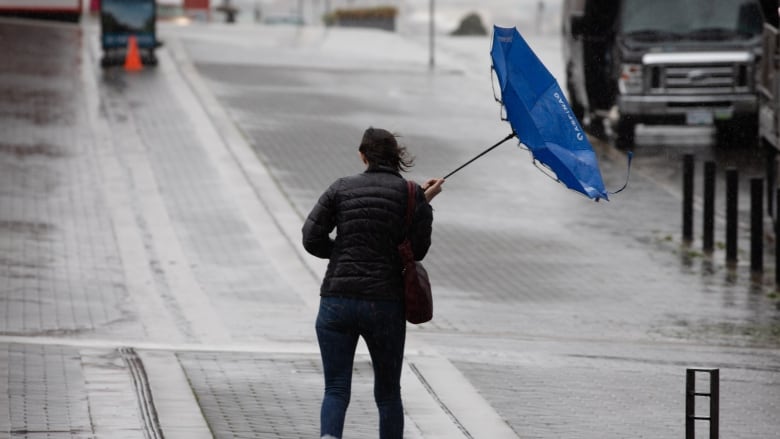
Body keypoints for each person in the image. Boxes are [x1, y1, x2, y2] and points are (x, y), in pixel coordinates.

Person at [302, 127, 444, 439]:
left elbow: (311, 238)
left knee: (336, 388)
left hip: (337, 300)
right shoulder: (410, 194)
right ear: (397, 158)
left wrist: (339, 254)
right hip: (385, 304)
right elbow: (418, 251)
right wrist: (423, 203)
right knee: (388, 393)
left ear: (362, 156)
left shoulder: (340, 188)